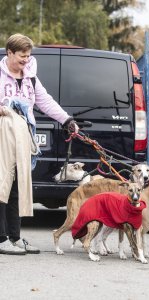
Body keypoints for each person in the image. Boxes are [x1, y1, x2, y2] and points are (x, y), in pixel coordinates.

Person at [0, 33, 79, 255]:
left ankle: (14, 237)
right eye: (21, 56)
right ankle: (0, 238)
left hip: (23, 135)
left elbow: (45, 101)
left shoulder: (30, 77)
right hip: (2, 136)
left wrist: (67, 120)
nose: (25, 60)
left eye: (28, 56)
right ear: (9, 53)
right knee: (1, 185)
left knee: (18, 185)